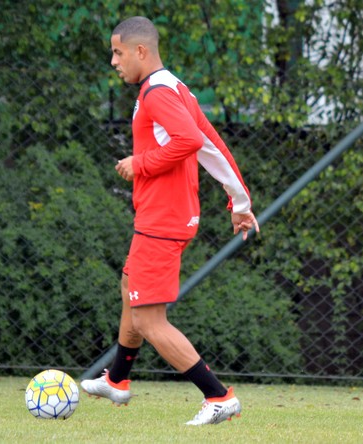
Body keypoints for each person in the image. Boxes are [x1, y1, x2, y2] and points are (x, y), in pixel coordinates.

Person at [80, 16, 260, 426]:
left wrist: (139, 163)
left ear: (141, 51)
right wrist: (239, 200)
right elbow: (211, 143)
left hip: (164, 218)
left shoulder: (158, 93)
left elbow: (190, 141)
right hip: (164, 215)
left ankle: (218, 396)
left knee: (148, 318)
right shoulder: (171, 86)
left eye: (118, 52)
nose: (113, 61)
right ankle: (118, 380)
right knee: (130, 286)